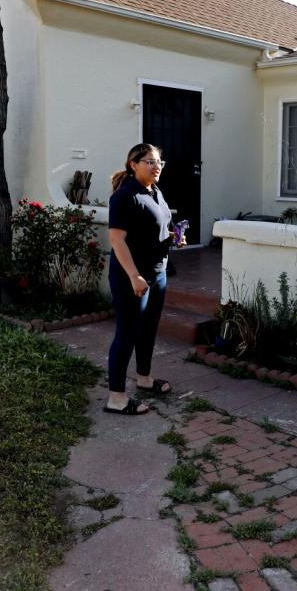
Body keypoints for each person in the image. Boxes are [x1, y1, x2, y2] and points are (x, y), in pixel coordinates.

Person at [104, 143, 182, 415]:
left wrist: (174, 238)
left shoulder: (156, 192)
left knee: (148, 329)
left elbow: (159, 228)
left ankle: (145, 379)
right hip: (133, 277)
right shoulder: (125, 196)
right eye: (149, 161)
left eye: (159, 161)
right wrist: (134, 275)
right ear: (133, 165)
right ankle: (116, 398)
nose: (156, 166)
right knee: (127, 333)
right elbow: (116, 240)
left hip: (158, 273)